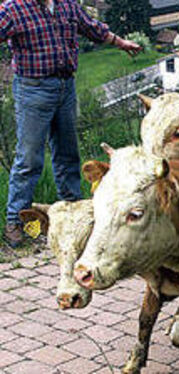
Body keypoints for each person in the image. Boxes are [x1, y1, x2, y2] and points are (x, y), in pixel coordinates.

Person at [0, 0, 142, 249]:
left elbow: (92, 27)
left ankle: (73, 212)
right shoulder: (14, 8)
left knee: (67, 154)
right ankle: (15, 221)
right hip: (33, 89)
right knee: (29, 159)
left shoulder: (67, 5)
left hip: (66, 87)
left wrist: (121, 43)